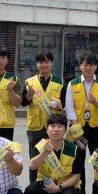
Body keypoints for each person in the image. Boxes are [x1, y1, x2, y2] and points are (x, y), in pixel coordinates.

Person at [65, 54, 98, 194]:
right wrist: (76, 130)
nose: (88, 67)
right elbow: (69, 109)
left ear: (96, 67)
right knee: (79, 162)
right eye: (85, 64)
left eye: (91, 64)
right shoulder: (73, 83)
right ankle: (81, 193)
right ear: (80, 66)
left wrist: (94, 101)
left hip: (96, 128)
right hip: (78, 128)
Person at [25, 114, 82, 194]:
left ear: (65, 130)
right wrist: (45, 152)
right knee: (29, 192)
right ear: (47, 129)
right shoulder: (40, 146)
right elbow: (32, 166)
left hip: (63, 186)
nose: (56, 129)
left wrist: (58, 188)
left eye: (60, 126)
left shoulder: (73, 148)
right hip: (45, 183)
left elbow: (76, 176)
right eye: (52, 126)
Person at [21, 51, 66, 183]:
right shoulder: (30, 82)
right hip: (35, 127)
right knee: (35, 158)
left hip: (53, 127)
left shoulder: (60, 82)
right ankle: (34, 189)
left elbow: (65, 104)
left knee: (53, 158)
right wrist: (29, 95)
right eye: (41, 62)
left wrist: (57, 105)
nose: (44, 65)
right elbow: (23, 103)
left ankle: (51, 188)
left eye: (47, 62)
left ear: (52, 63)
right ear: (36, 64)